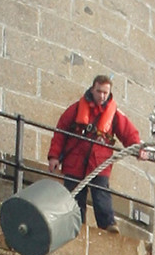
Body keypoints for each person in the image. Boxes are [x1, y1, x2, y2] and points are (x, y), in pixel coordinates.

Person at [48, 74, 143, 233]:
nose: (102, 96)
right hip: (75, 162)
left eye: (105, 92)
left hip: (99, 162)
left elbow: (128, 133)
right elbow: (61, 131)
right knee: (75, 198)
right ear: (93, 89)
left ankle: (108, 226)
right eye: (99, 91)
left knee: (101, 196)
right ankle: (77, 226)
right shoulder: (77, 108)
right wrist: (54, 156)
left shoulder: (114, 114)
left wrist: (138, 149)